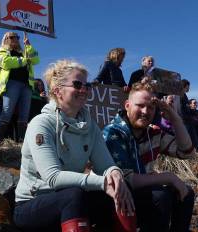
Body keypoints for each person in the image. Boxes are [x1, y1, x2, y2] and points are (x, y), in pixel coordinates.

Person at [13, 60, 132, 231]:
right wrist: (103, 183)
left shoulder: (90, 126)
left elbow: (105, 165)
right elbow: (53, 177)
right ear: (57, 91)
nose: (84, 90)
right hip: (31, 204)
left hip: (72, 198)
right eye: (77, 84)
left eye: (87, 85)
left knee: (121, 190)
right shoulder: (41, 124)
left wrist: (115, 173)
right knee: (74, 195)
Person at [102, 81, 197, 231]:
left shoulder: (152, 133)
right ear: (127, 105)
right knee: (160, 196)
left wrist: (174, 118)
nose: (146, 112)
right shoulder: (113, 132)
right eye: (140, 105)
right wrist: (169, 177)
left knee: (186, 193)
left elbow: (187, 152)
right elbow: (127, 179)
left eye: (151, 107)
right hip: (117, 197)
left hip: (143, 190)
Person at [0, 31, 39, 142]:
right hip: (12, 83)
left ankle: (21, 142)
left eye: (17, 37)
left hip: (27, 85)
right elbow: (6, 62)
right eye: (12, 37)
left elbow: (36, 60)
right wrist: (24, 60)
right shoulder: (2, 51)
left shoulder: (24, 52)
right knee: (7, 111)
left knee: (24, 114)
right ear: (6, 39)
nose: (15, 39)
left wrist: (28, 45)